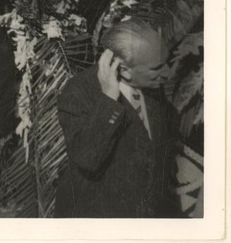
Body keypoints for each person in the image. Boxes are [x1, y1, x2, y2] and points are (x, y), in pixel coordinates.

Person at [56, 18, 178, 217]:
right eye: (156, 68)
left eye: (167, 63)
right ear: (123, 70)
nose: (167, 73)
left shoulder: (153, 87)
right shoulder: (78, 92)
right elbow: (88, 159)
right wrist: (109, 101)